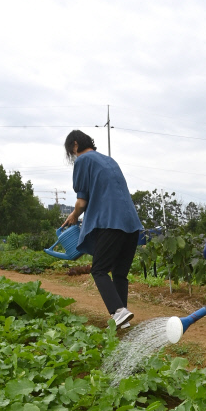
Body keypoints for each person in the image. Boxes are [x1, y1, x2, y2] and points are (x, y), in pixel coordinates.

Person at [61, 130, 143, 328]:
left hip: (110, 221)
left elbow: (82, 202)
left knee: (98, 269)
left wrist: (73, 216)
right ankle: (122, 319)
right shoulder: (109, 160)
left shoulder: (83, 160)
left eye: (71, 153)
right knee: (120, 273)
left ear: (74, 145)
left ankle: (118, 311)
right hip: (131, 223)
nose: (73, 157)